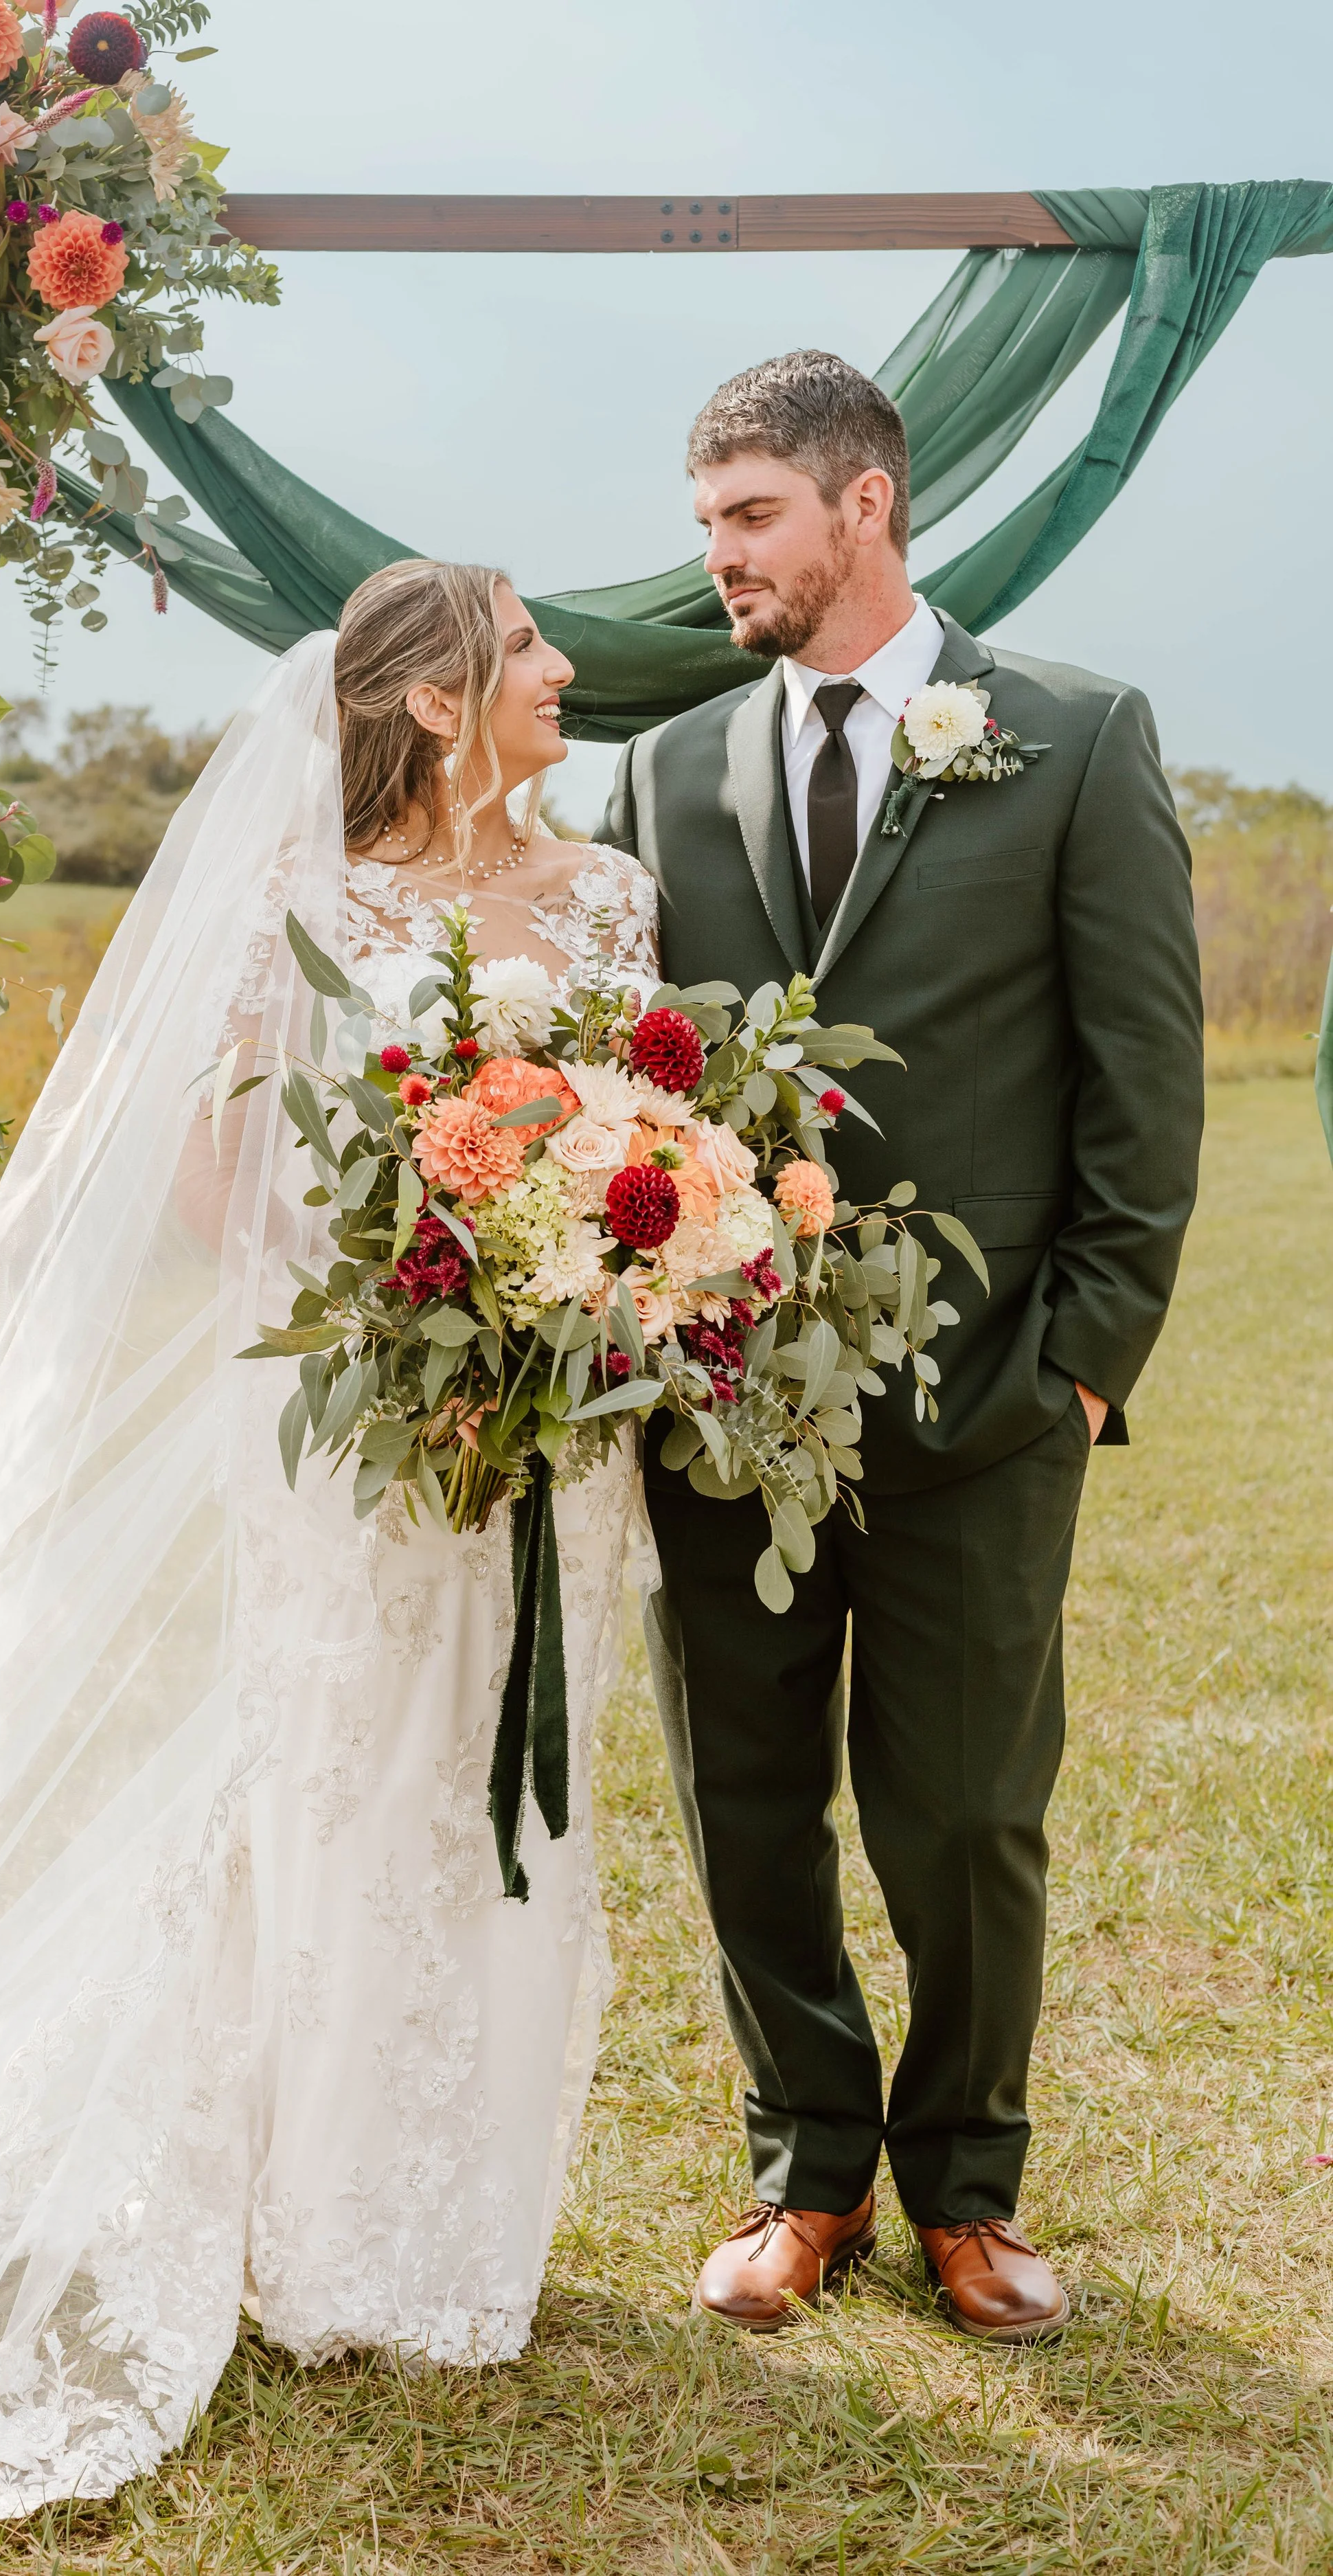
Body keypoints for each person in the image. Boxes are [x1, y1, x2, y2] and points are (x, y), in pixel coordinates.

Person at [0, 565, 661, 2575]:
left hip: (560, 1444)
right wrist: (392, 1273)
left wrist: (589, 1275)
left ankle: (456, 2218)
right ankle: (316, 2216)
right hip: (359, 1426)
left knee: (509, 1795)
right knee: (341, 1784)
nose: (560, 673)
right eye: (524, 647)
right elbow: (206, 1178)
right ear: (433, 703)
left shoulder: (607, 899)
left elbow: (644, 1130)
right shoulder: (307, 898)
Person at [603, 350, 1203, 2342]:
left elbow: (1144, 1083)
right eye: (707, 526)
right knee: (743, 1794)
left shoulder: (1073, 734)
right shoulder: (670, 768)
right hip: (720, 1405)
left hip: (986, 1396)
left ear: (867, 501)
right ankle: (805, 2174)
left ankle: (967, 2189)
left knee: (961, 1813)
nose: (719, 562)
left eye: (750, 518)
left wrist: (1085, 1361)